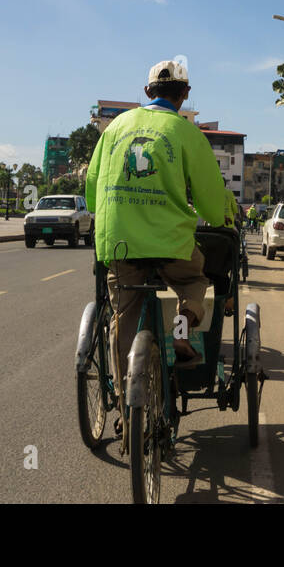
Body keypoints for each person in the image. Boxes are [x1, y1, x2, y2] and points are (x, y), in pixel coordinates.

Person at [86, 60, 225, 370]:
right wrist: (216, 217)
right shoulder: (188, 134)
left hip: (119, 243)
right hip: (171, 244)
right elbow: (213, 208)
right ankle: (180, 334)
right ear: (185, 94)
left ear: (148, 91)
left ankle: (124, 404)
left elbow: (92, 192)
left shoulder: (115, 128)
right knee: (193, 281)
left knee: (123, 315)